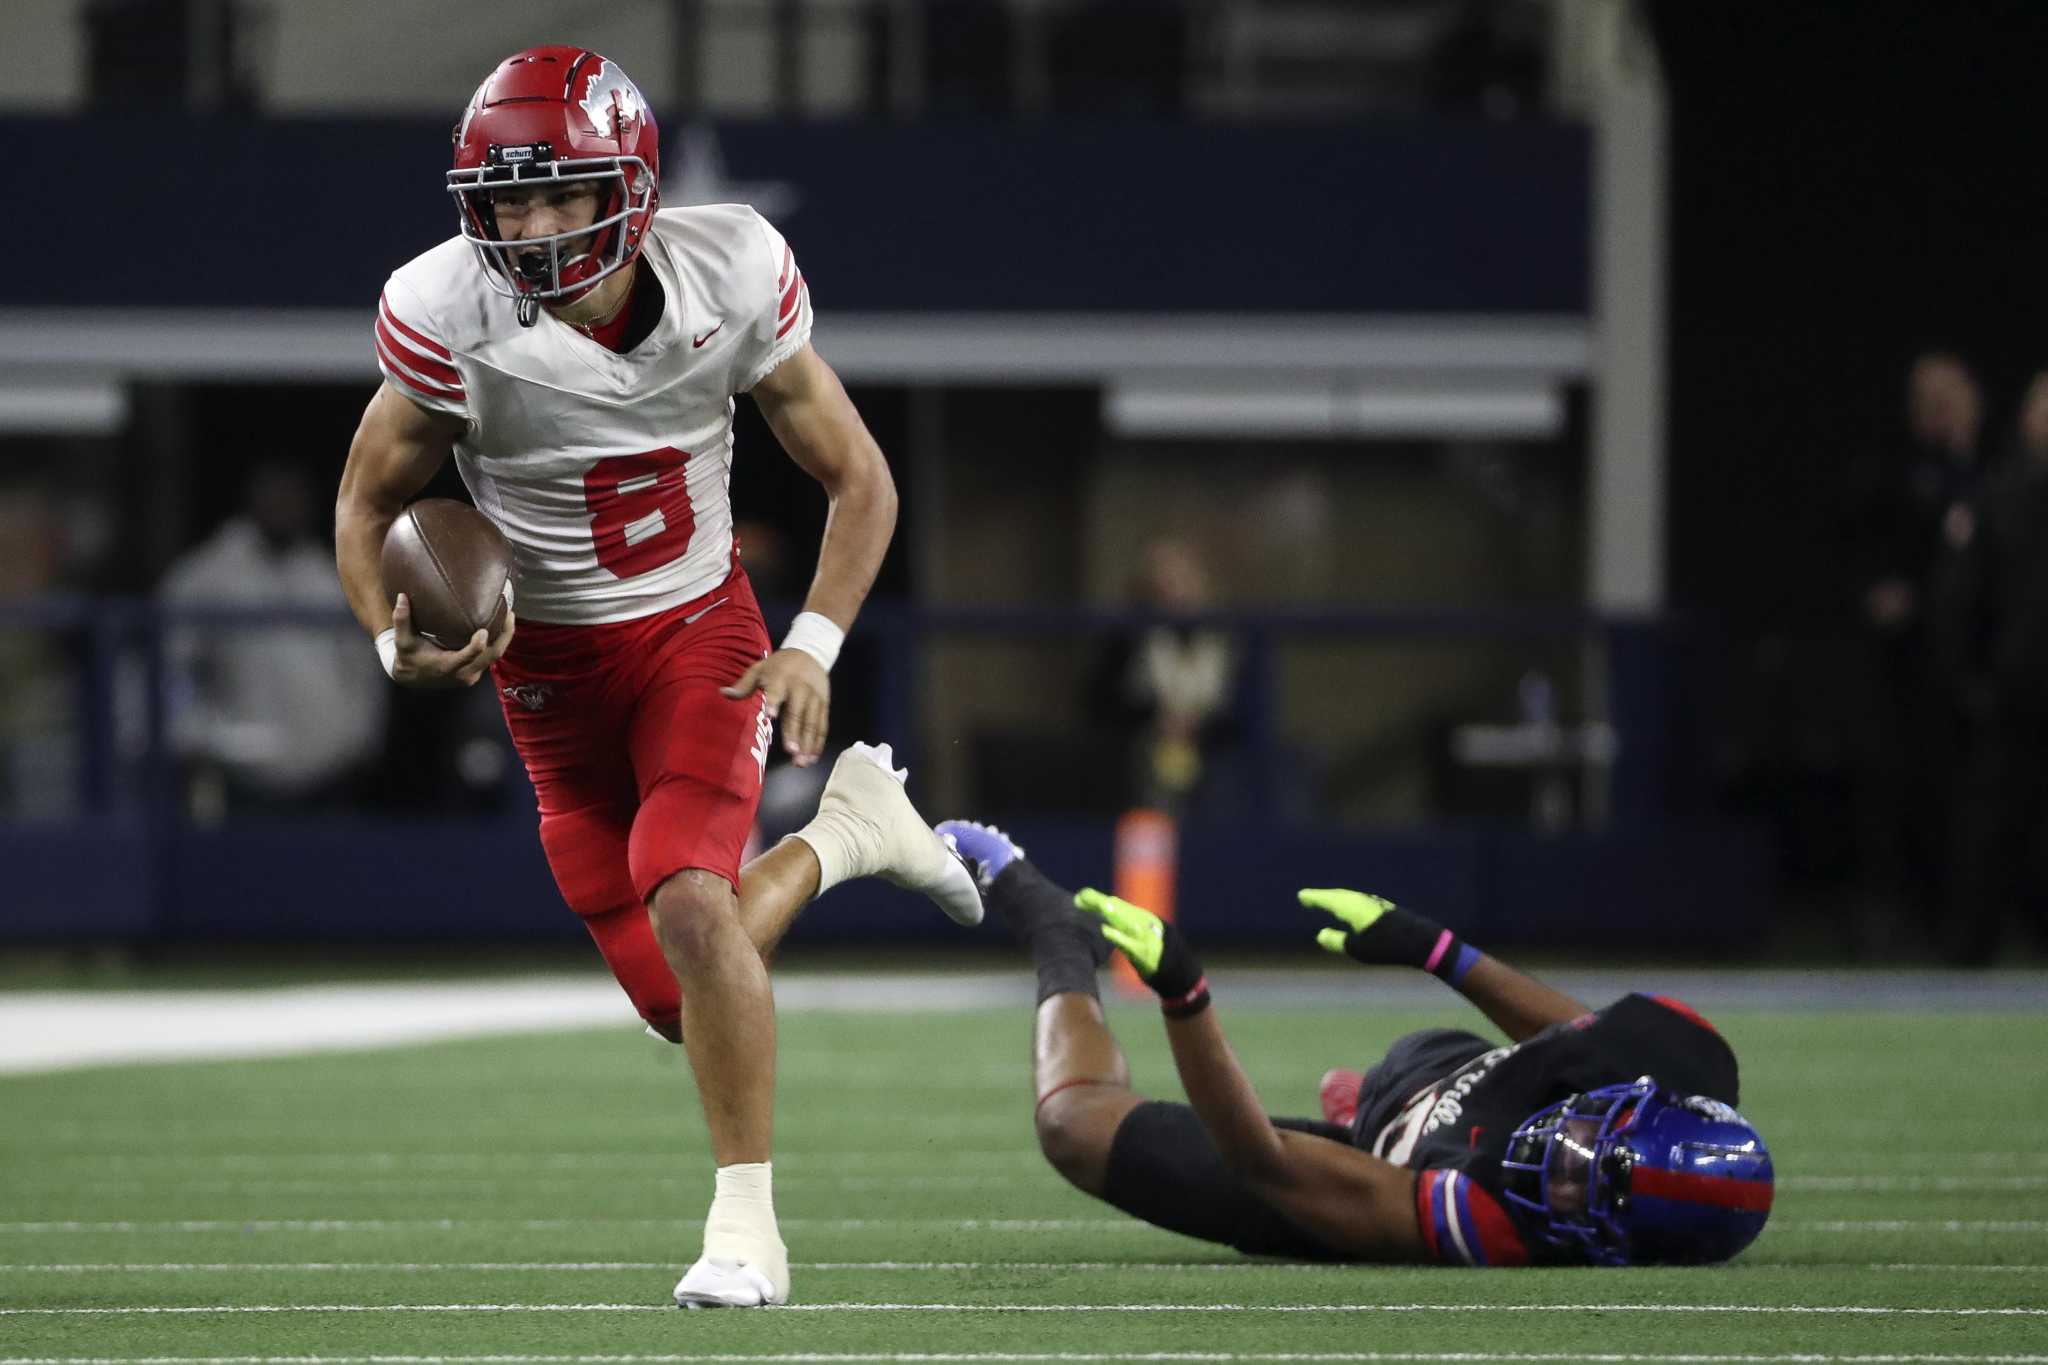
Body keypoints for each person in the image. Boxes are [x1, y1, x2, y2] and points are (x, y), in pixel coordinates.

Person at [332, 47, 982, 1308]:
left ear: (625, 185)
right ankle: (848, 834)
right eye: (503, 200)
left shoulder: (726, 270)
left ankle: (746, 1231)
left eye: (556, 194)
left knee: (688, 898)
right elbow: (366, 503)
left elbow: (861, 479)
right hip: (546, 675)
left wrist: (812, 642)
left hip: (696, 632)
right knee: (679, 996)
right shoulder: (442, 307)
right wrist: (385, 640)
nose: (525, 226)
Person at [935, 820, 1775, 1267]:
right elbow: (1580, 1037)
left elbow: (1263, 1160)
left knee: (1073, 1127)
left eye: (1574, 1183)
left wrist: (1186, 996)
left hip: (1401, 1160)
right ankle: (1368, 1091)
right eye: (1587, 1140)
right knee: (1536, 1063)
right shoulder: (1686, 1061)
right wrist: (1441, 951)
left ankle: (1051, 925)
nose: (1557, 1154)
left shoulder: (1489, 1217)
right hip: (1443, 1068)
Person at [161, 462, 385, 816]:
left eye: (292, 497)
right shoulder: (208, 576)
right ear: (252, 499)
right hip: (242, 784)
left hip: (328, 779)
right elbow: (170, 666)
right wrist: (196, 737)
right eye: (274, 494)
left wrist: (358, 738)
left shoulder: (331, 576)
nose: (284, 505)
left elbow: (363, 669)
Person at [1933, 368, 2048, 962]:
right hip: (2013, 696)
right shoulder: (2000, 497)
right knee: (1990, 832)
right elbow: (1958, 601)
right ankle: (1968, 961)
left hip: (2013, 690)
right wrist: (1970, 684)